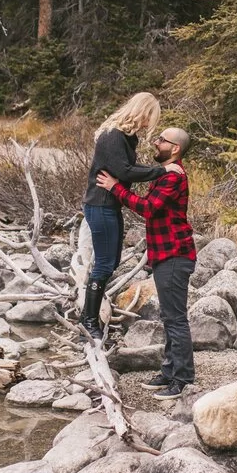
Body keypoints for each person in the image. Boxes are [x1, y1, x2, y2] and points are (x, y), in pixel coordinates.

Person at [96, 126, 196, 401]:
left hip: (175, 255)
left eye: (161, 140)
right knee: (168, 316)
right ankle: (169, 370)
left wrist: (115, 188)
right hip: (165, 254)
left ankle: (183, 378)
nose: (156, 142)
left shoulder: (173, 177)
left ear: (174, 148)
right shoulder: (165, 173)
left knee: (175, 318)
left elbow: (148, 208)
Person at [81, 92, 177, 340]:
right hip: (100, 205)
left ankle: (91, 315)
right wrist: (161, 171)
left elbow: (123, 171)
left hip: (109, 205)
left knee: (111, 262)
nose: (148, 124)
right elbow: (125, 170)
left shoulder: (125, 136)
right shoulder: (113, 135)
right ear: (141, 112)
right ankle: (88, 320)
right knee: (104, 263)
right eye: (149, 118)